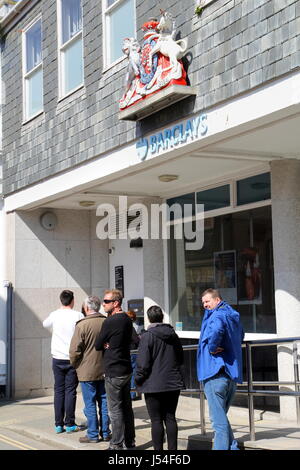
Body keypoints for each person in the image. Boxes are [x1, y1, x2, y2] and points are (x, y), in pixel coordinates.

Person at [196, 288, 244, 450]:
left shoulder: (217, 315)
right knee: (221, 417)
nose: (205, 305)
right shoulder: (233, 315)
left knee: (218, 422)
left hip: (214, 372)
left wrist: (212, 347)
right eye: (203, 302)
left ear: (217, 300)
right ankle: (233, 447)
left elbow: (216, 330)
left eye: (207, 301)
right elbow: (241, 335)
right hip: (230, 373)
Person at [135, 305, 184, 451]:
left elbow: (143, 364)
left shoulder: (147, 336)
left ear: (149, 318)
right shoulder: (173, 335)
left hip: (153, 384)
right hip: (172, 382)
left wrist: (138, 379)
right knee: (170, 418)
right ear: (162, 317)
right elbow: (180, 358)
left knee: (156, 420)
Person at [94, 289, 135, 450]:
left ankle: (116, 444)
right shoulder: (127, 319)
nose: (103, 304)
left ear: (116, 303)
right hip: (126, 369)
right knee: (127, 407)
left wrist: (109, 344)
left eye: (106, 301)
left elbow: (98, 345)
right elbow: (134, 340)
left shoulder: (110, 321)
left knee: (115, 410)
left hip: (113, 370)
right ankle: (130, 442)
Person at [69, 296, 111, 444]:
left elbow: (75, 350)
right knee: (104, 402)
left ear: (87, 308)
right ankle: (105, 432)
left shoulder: (82, 325)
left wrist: (75, 365)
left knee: (90, 403)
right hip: (105, 368)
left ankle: (93, 434)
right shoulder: (106, 321)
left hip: (87, 370)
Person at [43, 290, 84, 434]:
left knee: (59, 390)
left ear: (61, 300)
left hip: (57, 358)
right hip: (72, 358)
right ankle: (70, 423)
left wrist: (58, 312)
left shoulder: (55, 314)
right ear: (72, 301)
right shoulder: (77, 315)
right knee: (70, 391)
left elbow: (44, 324)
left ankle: (58, 424)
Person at [126, 310, 140, 400]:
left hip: (125, 352)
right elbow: (136, 341)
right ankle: (132, 394)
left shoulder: (122, 328)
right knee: (133, 372)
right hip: (132, 352)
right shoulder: (131, 328)